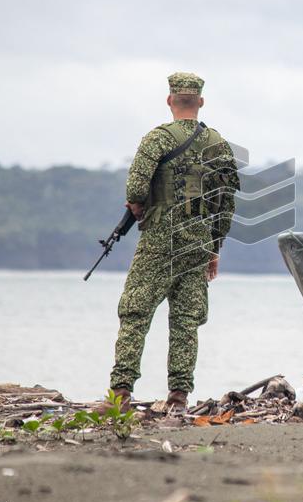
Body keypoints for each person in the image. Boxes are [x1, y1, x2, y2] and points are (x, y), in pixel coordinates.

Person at [98, 72, 240, 414]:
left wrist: (138, 207)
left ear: (170, 100)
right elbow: (226, 204)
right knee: (186, 323)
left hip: (160, 240)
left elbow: (135, 189)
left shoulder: (156, 139)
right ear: (201, 102)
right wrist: (214, 249)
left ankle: (120, 395)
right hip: (197, 242)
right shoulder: (219, 145)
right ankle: (178, 400)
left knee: (135, 312)